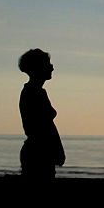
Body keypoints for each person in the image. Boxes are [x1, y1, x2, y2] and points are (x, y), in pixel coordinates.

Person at [17, 48, 65, 181]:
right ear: (37, 67)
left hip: (39, 152)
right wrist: (57, 151)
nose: (52, 67)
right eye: (48, 64)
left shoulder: (35, 91)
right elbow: (43, 128)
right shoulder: (33, 93)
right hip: (38, 153)